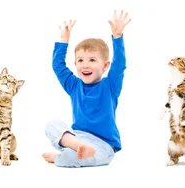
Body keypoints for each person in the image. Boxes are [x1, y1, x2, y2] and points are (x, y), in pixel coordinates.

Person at [42, 10, 132, 168]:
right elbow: (58, 66)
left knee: (68, 159)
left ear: (105, 66)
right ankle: (76, 148)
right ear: (75, 65)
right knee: (51, 125)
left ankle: (64, 156)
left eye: (92, 60)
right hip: (78, 138)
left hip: (103, 146)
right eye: (80, 60)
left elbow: (119, 65)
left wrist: (117, 37)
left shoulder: (110, 85)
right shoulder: (74, 85)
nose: (85, 65)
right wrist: (64, 40)